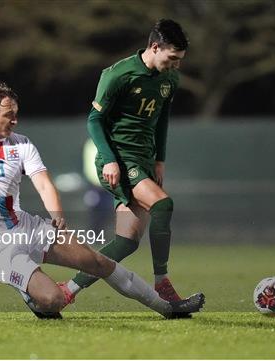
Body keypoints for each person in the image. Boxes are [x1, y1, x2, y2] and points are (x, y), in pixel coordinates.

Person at [0, 78, 204, 319]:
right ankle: (31, 292)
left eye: (16, 114)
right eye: (8, 115)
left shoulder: (22, 144)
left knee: (97, 261)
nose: (15, 121)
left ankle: (166, 308)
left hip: (27, 226)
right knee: (52, 301)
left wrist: (56, 214)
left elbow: (43, 182)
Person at [62, 19, 190, 304]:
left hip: (144, 162)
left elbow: (162, 121)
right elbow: (94, 120)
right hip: (120, 159)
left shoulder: (170, 79)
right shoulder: (119, 73)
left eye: (180, 60)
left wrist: (160, 160)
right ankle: (162, 283)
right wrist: (108, 160)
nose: (176, 65)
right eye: (172, 58)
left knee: (126, 242)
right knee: (163, 204)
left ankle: (67, 290)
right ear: (154, 47)